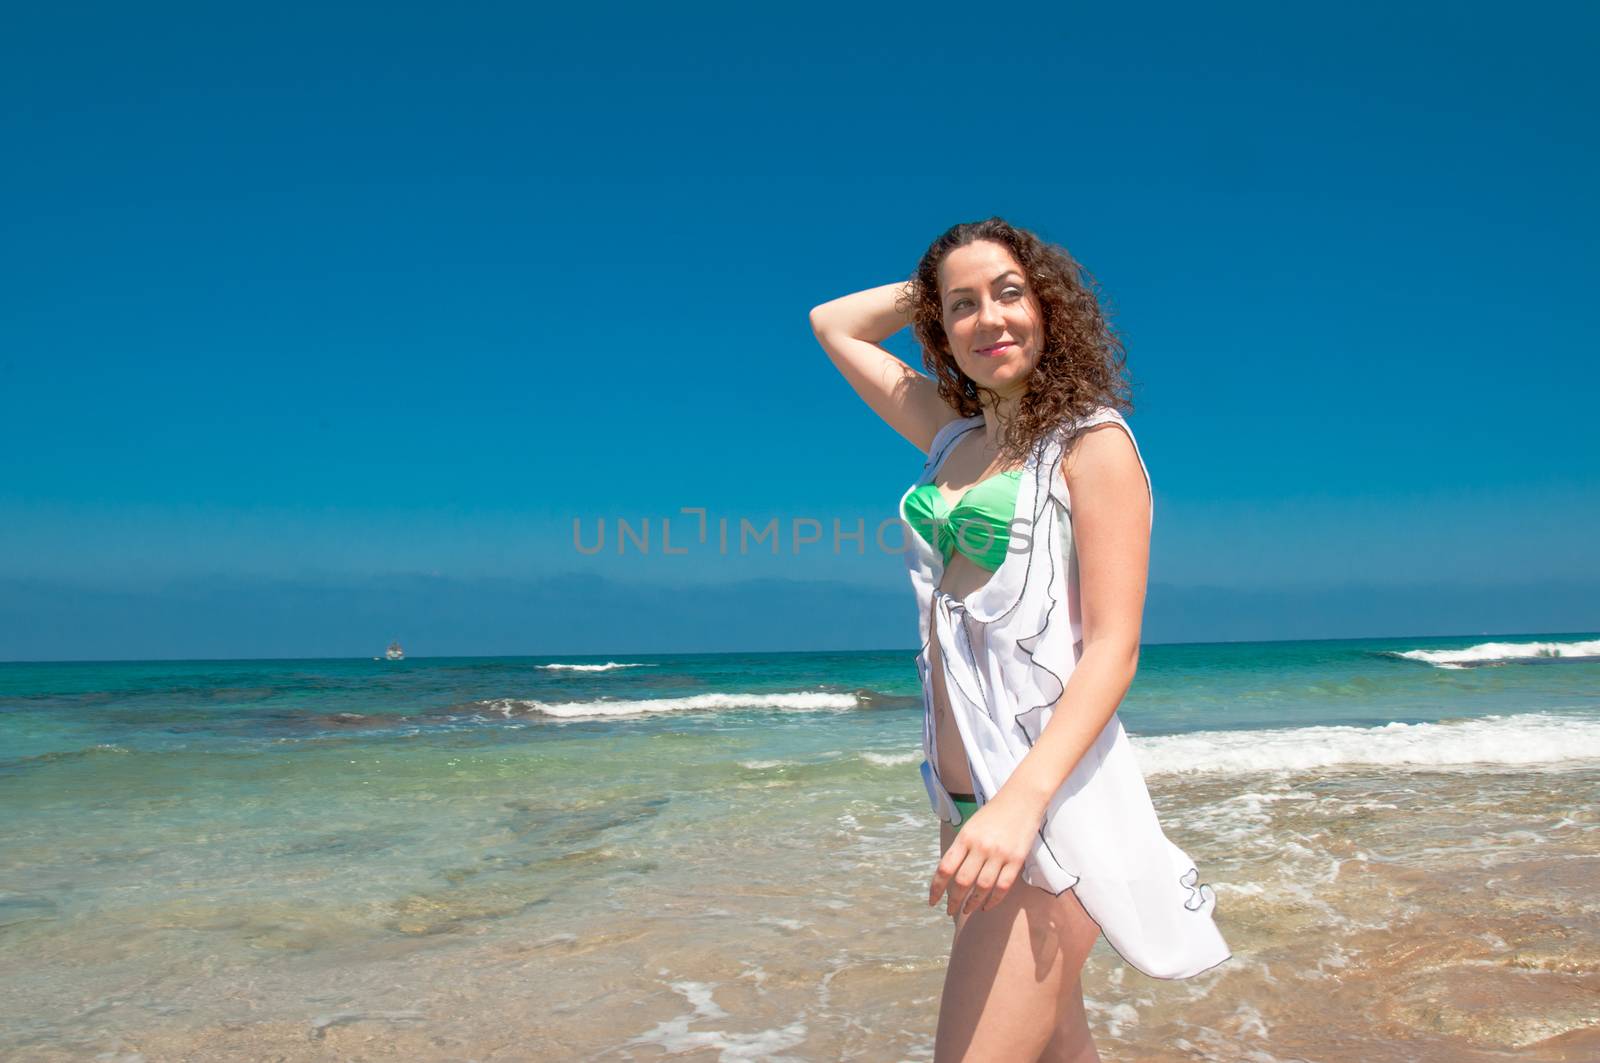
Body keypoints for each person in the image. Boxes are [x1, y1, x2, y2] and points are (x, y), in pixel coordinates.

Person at [809, 217, 1229, 1062]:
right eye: (961, 307)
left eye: (1010, 292)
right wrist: (934, 289)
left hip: (1045, 812)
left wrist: (1018, 805)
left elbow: (1114, 648)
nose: (989, 319)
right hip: (971, 804)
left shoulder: (1091, 443)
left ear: (1050, 306)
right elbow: (834, 323)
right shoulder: (953, 434)